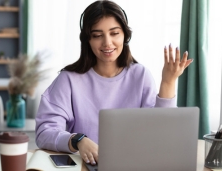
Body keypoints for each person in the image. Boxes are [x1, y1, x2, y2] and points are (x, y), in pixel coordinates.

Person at [35, 0, 193, 166]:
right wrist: (77, 140)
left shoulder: (140, 75)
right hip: (86, 167)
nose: (107, 43)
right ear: (87, 40)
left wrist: (168, 82)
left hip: (135, 165)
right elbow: (44, 133)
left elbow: (161, 133)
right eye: (97, 35)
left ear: (125, 35)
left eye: (114, 33)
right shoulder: (68, 79)